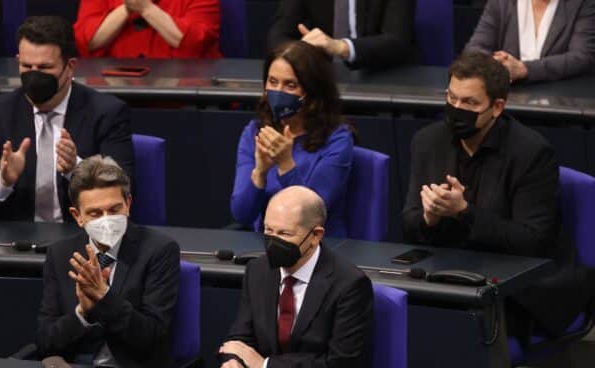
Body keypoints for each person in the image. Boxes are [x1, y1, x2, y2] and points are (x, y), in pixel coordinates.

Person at [402, 51, 592, 342]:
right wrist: (429, 218)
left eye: (469, 103)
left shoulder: (531, 153)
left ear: (498, 106)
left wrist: (464, 212)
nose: (456, 109)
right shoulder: (428, 141)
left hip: (526, 285)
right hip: (455, 273)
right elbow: (408, 223)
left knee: (454, 333)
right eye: (451, 98)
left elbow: (532, 241)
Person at [0, 16, 134, 222]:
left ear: (70, 66)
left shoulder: (106, 112)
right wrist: (3, 180)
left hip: (81, 238)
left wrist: (77, 169)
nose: (34, 76)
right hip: (17, 240)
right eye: (27, 67)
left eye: (45, 68)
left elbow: (124, 189)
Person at [36, 155, 180, 368]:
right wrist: (82, 314)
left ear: (128, 204)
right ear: (78, 216)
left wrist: (104, 298)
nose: (106, 220)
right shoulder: (60, 254)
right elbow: (45, 342)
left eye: (114, 210)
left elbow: (153, 338)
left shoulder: (158, 251)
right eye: (95, 213)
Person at [220, 185, 373, 368]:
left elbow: (341, 363)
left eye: (284, 233)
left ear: (315, 236)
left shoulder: (349, 284)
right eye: (268, 231)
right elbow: (239, 337)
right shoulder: (258, 270)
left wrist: (266, 365)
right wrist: (233, 361)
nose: (273, 242)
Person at [230, 41, 354, 238]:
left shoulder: (337, 139)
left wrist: (286, 165)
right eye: (272, 82)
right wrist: (260, 173)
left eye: (290, 85)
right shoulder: (255, 131)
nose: (278, 92)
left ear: (312, 91)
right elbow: (242, 215)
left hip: (317, 247)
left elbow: (310, 217)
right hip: (267, 244)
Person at [465, 0, 595, 82]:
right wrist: (496, 65)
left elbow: (582, 57)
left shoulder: (583, 3)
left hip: (563, 105)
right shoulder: (501, 3)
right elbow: (475, 47)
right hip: (507, 103)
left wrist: (524, 69)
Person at [266, 0, 416, 69]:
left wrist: (342, 47)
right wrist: (300, 52)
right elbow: (279, 34)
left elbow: (397, 41)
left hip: (382, 75)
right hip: (322, 80)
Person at [73, 0, 221, 58]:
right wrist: (128, 7)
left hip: (183, 96)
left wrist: (146, 8)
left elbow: (197, 42)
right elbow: (88, 42)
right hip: (113, 94)